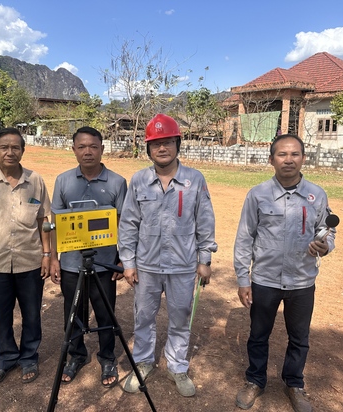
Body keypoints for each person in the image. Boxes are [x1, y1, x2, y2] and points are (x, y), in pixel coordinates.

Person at [233, 134, 336, 412]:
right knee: (258, 334)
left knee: (300, 338)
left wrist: (325, 245)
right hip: (265, 280)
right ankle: (255, 380)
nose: (288, 160)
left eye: (294, 154)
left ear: (303, 158)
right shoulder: (257, 195)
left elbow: (327, 230)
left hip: (302, 280)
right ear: (271, 159)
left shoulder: (316, 195)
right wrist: (243, 279)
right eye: (282, 154)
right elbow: (244, 238)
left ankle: (294, 383)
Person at [118, 114, 218, 397]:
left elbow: (205, 221)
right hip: (146, 266)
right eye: (155, 144)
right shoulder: (139, 180)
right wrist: (128, 263)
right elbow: (129, 223)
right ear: (148, 149)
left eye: (167, 142)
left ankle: (177, 365)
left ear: (177, 144)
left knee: (180, 318)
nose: (162, 148)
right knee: (143, 317)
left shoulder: (194, 180)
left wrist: (204, 260)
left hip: (182, 266)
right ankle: (143, 362)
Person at [0, 127, 51, 385]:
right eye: (4, 147)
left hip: (30, 261)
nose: (10, 152)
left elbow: (43, 221)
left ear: (23, 151)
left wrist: (47, 255)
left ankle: (29, 358)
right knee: (0, 315)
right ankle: (5, 358)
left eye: (16, 147)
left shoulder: (35, 181)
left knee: (32, 314)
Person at [49, 126, 127, 388]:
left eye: (93, 146)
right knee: (73, 312)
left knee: (105, 313)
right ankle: (76, 355)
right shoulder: (63, 181)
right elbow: (54, 222)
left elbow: (126, 223)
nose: (88, 151)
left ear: (102, 149)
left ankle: (107, 357)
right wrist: (54, 258)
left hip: (104, 264)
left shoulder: (117, 182)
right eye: (81, 147)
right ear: (73, 150)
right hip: (71, 264)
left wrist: (122, 259)